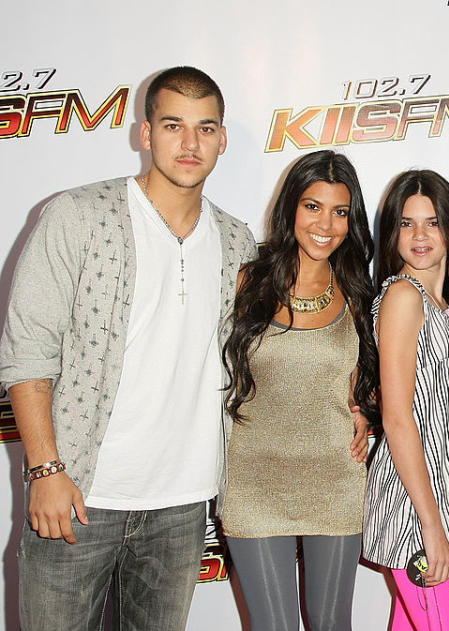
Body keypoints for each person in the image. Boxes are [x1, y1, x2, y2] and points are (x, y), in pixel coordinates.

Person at [0, 66, 257, 629]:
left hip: (183, 504)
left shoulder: (238, 240)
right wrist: (45, 469)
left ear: (222, 140)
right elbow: (28, 351)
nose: (190, 144)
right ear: (145, 133)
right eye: (173, 125)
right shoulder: (79, 216)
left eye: (206, 128)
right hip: (79, 494)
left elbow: (259, 358)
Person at [220, 150, 378, 630]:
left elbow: (371, 375)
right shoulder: (245, 280)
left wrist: (366, 408)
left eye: (339, 211)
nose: (325, 224)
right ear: (291, 207)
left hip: (334, 477)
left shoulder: (357, 291)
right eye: (313, 206)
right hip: (252, 480)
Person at [363, 170, 449, 631]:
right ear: (391, 233)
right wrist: (431, 526)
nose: (419, 235)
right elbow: (397, 419)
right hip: (414, 506)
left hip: (441, 497)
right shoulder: (402, 296)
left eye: (431, 222)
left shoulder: (442, 306)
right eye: (406, 223)